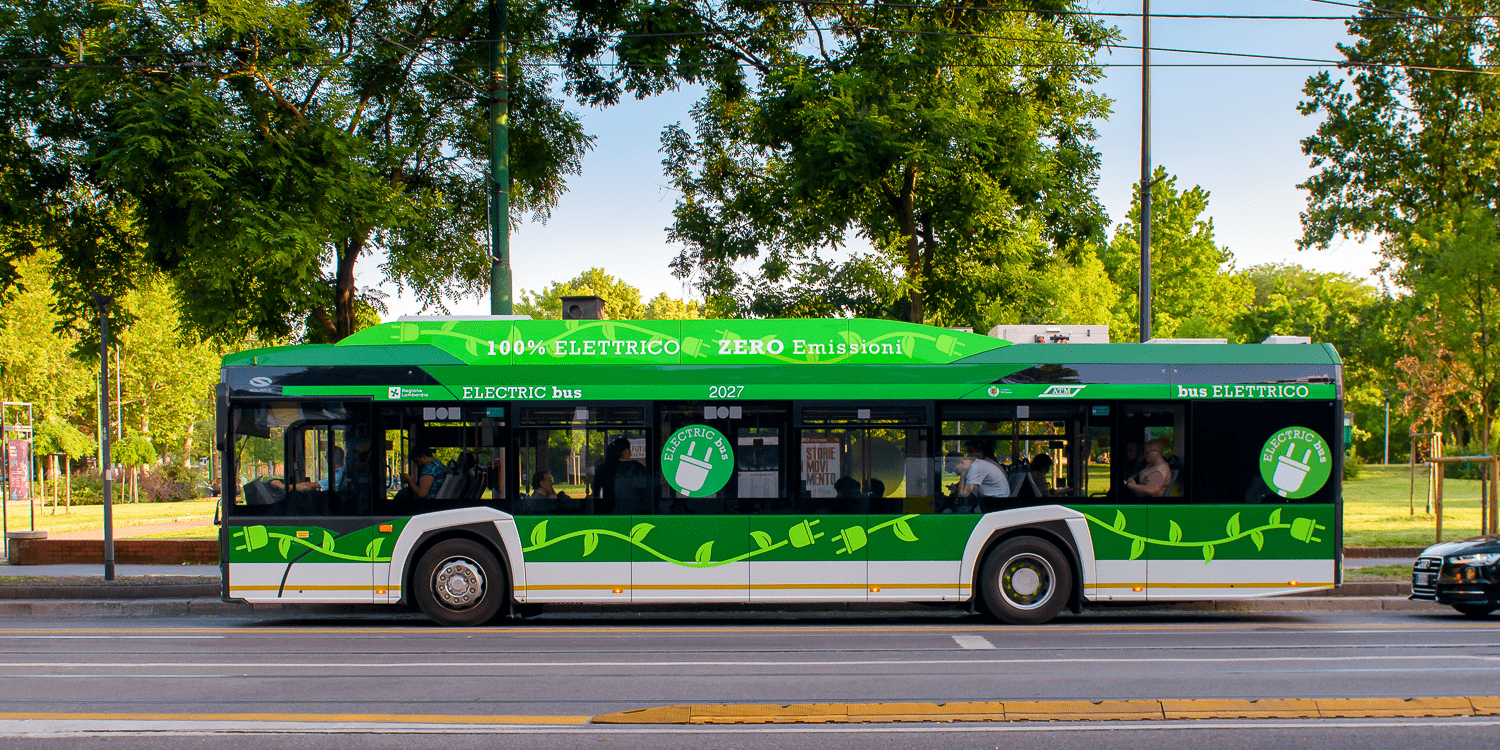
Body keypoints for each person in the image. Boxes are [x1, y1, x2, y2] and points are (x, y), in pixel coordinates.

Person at [593, 437, 650, 514]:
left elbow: (595, 489)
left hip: (610, 512)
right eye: (630, 449)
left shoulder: (604, 468)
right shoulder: (636, 467)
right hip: (634, 512)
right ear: (626, 451)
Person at [960, 439, 1011, 509]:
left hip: (994, 505)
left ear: (980, 453)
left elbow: (964, 494)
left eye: (971, 452)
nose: (968, 456)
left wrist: (963, 473)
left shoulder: (978, 466)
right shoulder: (986, 463)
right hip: (997, 502)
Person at [271, 446, 344, 492]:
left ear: (332, 459)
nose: (326, 460)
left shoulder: (337, 476)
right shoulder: (342, 472)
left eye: (326, 458)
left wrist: (284, 486)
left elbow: (309, 486)